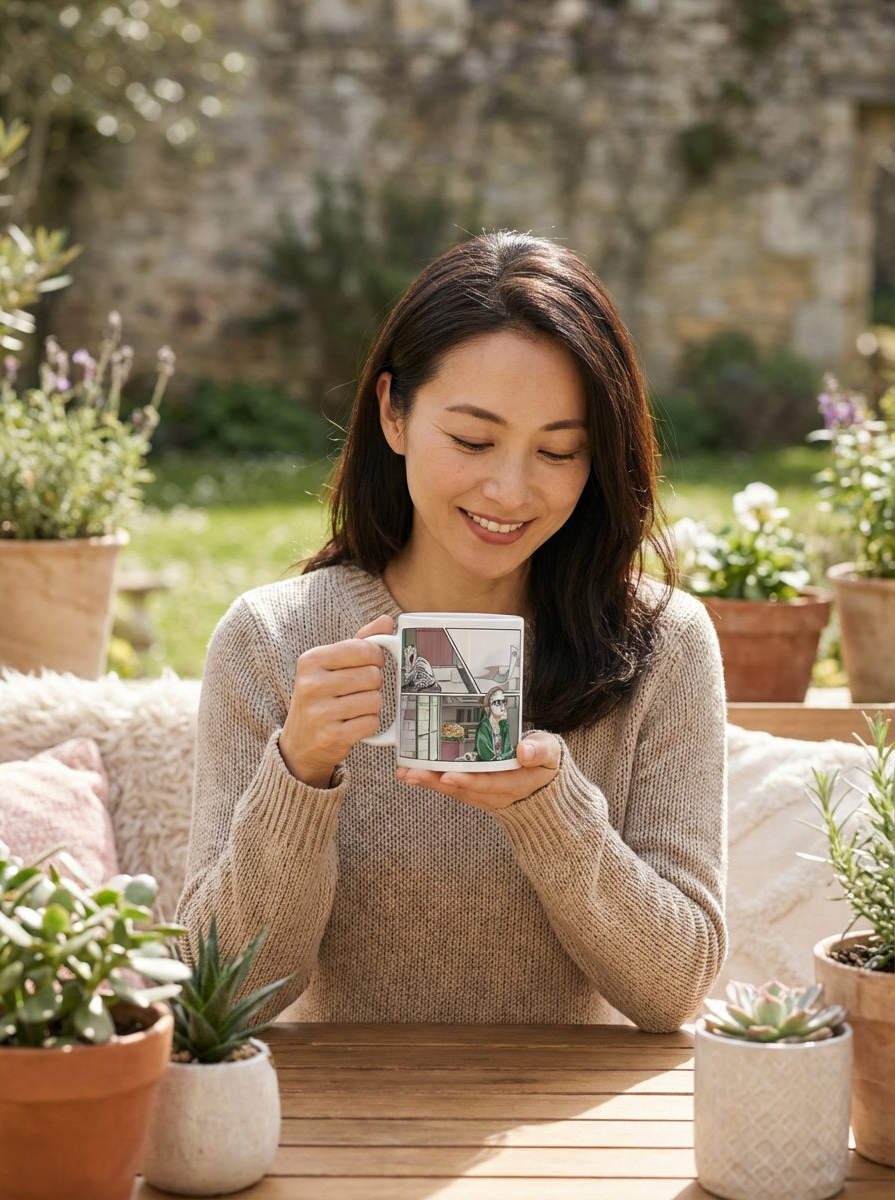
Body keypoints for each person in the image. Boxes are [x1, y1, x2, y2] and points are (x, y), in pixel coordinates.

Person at [176, 230, 727, 1031]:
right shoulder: (274, 638)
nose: (510, 488)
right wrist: (300, 773)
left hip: (579, 1140)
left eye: (559, 451)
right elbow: (215, 995)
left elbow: (675, 992)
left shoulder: (661, 644)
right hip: (340, 1128)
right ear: (393, 413)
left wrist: (552, 812)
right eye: (472, 440)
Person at [475, 686, 515, 761]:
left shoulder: (504, 724)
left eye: (504, 701)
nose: (503, 707)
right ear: (488, 707)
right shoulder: (483, 727)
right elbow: (487, 757)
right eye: (497, 702)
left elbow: (509, 751)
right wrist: (504, 757)